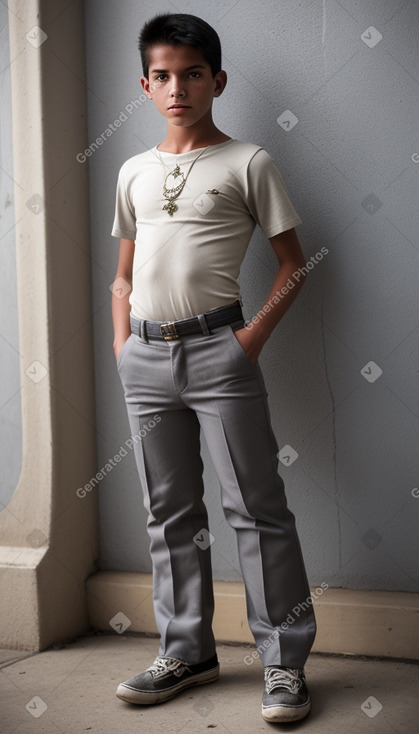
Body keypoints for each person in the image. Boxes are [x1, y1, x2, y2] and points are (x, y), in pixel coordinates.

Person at [111, 12, 316, 724]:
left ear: (216, 80)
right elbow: (122, 276)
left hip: (219, 353)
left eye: (192, 73)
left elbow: (294, 264)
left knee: (256, 508)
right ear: (145, 84)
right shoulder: (132, 169)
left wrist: (246, 342)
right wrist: (120, 343)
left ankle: (284, 663)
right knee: (167, 511)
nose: (177, 87)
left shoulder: (247, 161)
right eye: (163, 75)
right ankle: (187, 650)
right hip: (143, 357)